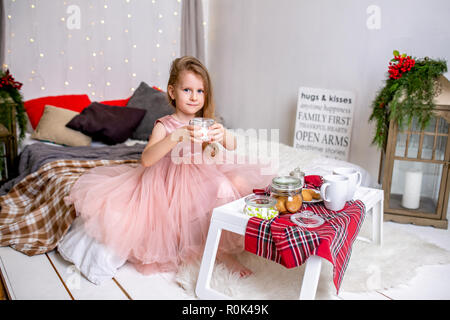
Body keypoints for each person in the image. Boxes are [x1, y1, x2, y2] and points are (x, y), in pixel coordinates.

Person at [66, 56, 274, 278]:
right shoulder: (164, 125)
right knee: (185, 205)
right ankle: (197, 246)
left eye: (200, 91)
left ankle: (219, 248)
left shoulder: (206, 122)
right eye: (187, 90)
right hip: (168, 179)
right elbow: (147, 159)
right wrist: (175, 137)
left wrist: (222, 134)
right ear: (172, 92)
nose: (194, 97)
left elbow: (231, 146)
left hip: (201, 173)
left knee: (233, 185)